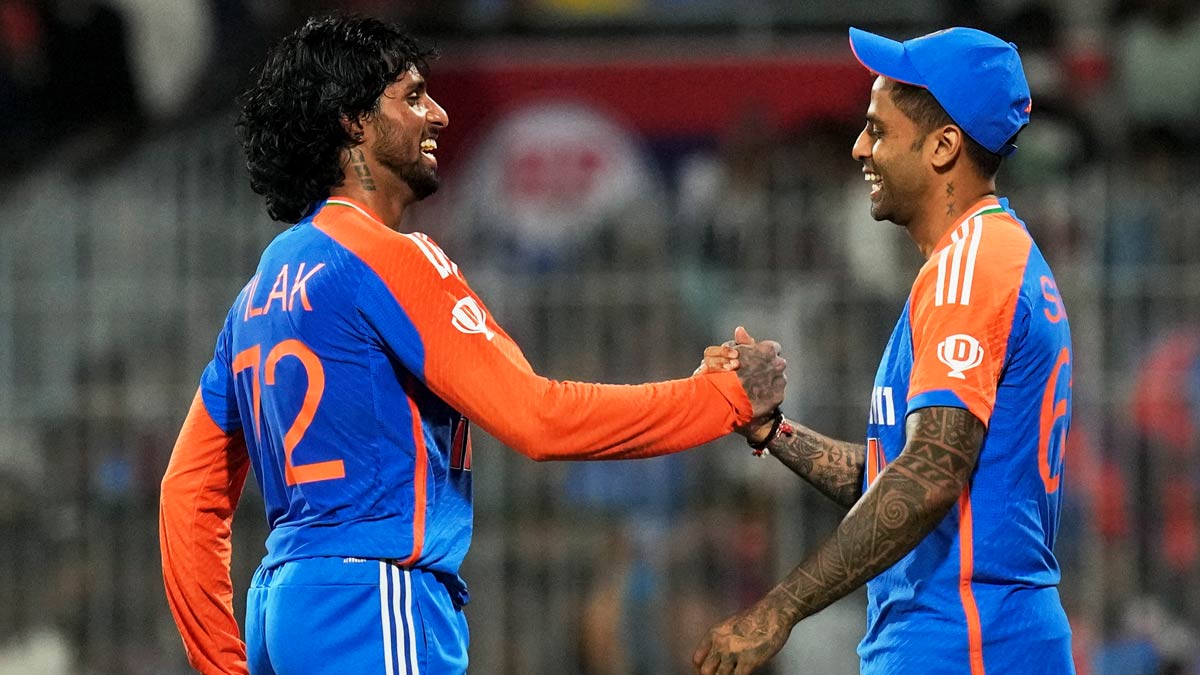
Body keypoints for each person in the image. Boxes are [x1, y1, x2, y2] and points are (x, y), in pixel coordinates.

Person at [158, 14, 787, 675]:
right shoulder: (389, 258)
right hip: (375, 602)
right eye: (412, 96)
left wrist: (223, 663)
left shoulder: (257, 292)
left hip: (282, 608)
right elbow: (538, 417)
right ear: (353, 121)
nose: (439, 115)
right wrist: (721, 397)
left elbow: (187, 494)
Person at [692, 27, 1074, 675]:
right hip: (966, 638)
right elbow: (896, 475)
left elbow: (927, 476)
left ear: (943, 146)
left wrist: (779, 608)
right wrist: (773, 431)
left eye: (878, 130)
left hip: (966, 643)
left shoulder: (972, 270)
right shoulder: (981, 260)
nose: (859, 148)